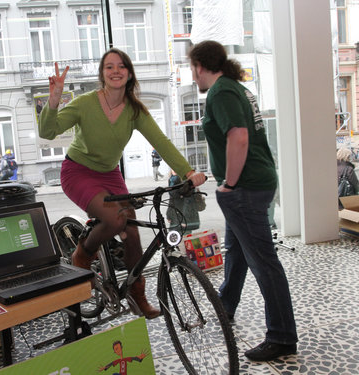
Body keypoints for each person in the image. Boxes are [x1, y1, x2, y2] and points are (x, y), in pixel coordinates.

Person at [39, 48, 207, 319]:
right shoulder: (85, 103)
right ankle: (83, 254)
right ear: (102, 74)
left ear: (129, 74)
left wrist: (187, 172)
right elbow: (47, 132)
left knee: (133, 234)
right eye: (109, 67)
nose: (115, 71)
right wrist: (54, 100)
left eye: (121, 66)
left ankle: (137, 295)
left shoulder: (134, 111)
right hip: (78, 172)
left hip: (109, 174)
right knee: (116, 220)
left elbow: (161, 142)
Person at [188, 40, 297, 361]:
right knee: (236, 248)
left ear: (199, 66)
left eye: (192, 69)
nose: (193, 76)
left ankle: (282, 337)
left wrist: (229, 185)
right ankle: (227, 303)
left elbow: (239, 135)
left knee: (264, 262)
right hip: (256, 183)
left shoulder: (221, 92)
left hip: (245, 187)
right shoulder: (234, 87)